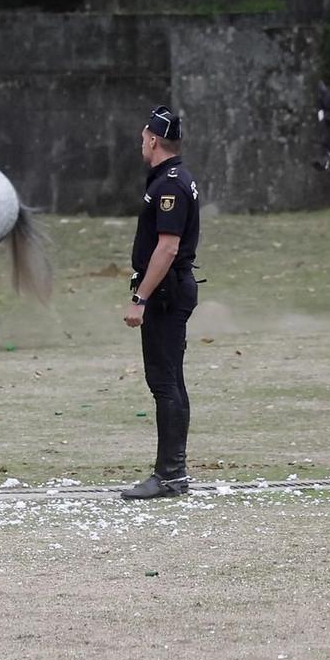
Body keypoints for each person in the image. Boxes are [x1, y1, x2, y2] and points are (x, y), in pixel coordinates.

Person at [120, 106, 201, 500]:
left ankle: (170, 475)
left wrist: (140, 298)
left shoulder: (169, 185)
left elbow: (166, 248)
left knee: (165, 382)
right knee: (170, 381)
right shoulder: (171, 178)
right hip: (170, 289)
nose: (141, 143)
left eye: (143, 138)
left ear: (153, 139)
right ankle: (174, 472)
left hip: (166, 293)